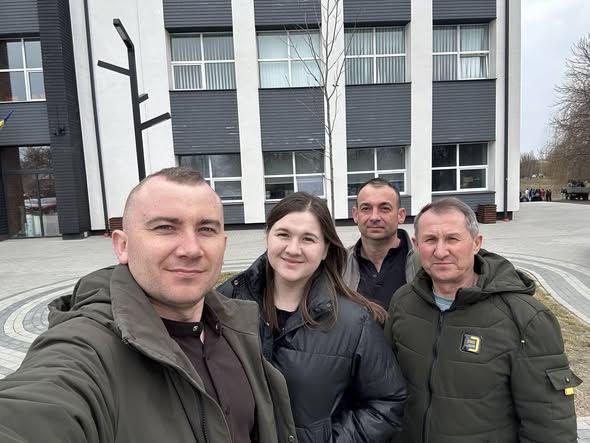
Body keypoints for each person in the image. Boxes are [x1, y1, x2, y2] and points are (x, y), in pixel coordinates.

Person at [0, 167, 296, 443]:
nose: (191, 249)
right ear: (122, 246)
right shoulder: (87, 350)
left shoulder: (238, 327)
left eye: (206, 229)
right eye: (166, 227)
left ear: (223, 244)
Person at [384, 197, 581, 443]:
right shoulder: (403, 302)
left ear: (476, 243)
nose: (441, 251)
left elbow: (549, 425)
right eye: (430, 239)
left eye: (452, 239)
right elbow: (387, 389)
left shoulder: (525, 318)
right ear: (416, 244)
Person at [218, 192, 408, 443]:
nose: (293, 249)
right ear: (267, 236)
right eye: (283, 234)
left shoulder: (354, 322)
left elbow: (387, 402)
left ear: (325, 249)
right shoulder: (227, 300)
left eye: (308, 239)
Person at [343, 178, 417, 310]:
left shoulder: (423, 263)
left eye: (385, 208)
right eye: (366, 208)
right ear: (355, 214)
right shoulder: (338, 265)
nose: (375, 217)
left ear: (401, 215)